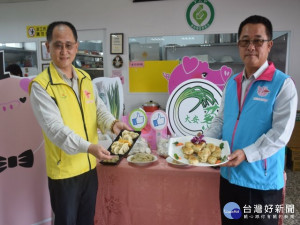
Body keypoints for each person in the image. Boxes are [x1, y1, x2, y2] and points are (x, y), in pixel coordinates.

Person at [29, 21, 131, 225]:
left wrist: (112, 124)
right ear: (48, 47)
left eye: (69, 45)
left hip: (89, 168)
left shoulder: (85, 77)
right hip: (64, 174)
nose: (64, 51)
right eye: (58, 45)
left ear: (76, 46)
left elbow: (98, 109)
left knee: (87, 221)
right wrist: (89, 147)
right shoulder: (41, 86)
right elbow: (55, 131)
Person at [204, 15, 298, 225]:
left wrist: (247, 154)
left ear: (269, 45)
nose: (251, 47)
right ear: (239, 45)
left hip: (261, 183)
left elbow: (280, 134)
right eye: (245, 41)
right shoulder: (232, 83)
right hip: (229, 177)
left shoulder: (283, 85)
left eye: (258, 40)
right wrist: (203, 142)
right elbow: (220, 120)